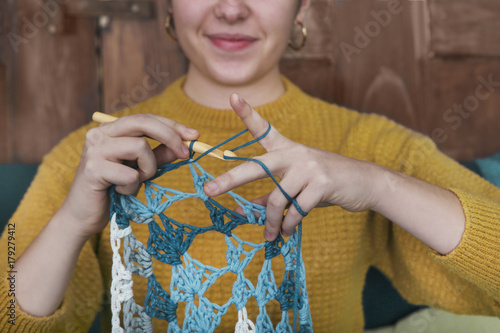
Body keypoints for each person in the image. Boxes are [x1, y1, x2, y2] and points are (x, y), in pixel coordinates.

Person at [1, 0, 500, 332]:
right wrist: (71, 222)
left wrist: (378, 186)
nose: (232, 9)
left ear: (302, 6)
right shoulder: (92, 154)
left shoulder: (371, 145)